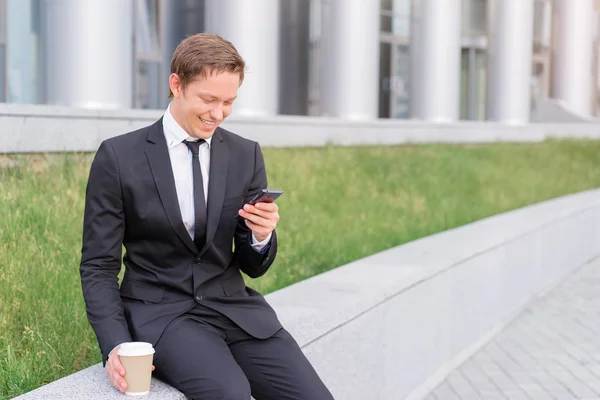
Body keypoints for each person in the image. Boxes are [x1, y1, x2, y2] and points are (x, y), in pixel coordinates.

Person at [79, 33, 334, 400]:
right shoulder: (119, 158)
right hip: (163, 316)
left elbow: (252, 265)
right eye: (208, 99)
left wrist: (260, 237)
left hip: (235, 310)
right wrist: (115, 345)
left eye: (228, 102)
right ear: (176, 84)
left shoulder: (246, 155)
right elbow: (98, 266)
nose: (218, 113)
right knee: (228, 393)